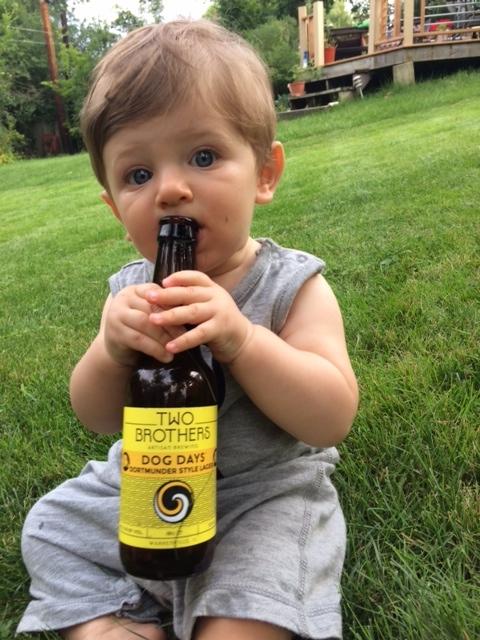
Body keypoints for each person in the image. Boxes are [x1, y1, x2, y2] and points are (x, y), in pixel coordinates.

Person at [18, 19, 358, 640]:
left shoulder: (293, 286)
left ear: (264, 172)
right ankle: (113, 624)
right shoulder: (131, 294)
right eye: (138, 175)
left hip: (256, 498)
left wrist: (243, 340)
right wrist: (110, 350)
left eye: (203, 157)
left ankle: (226, 617)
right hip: (146, 479)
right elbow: (95, 415)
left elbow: (330, 416)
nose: (171, 190)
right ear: (115, 208)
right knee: (52, 525)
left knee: (260, 588)